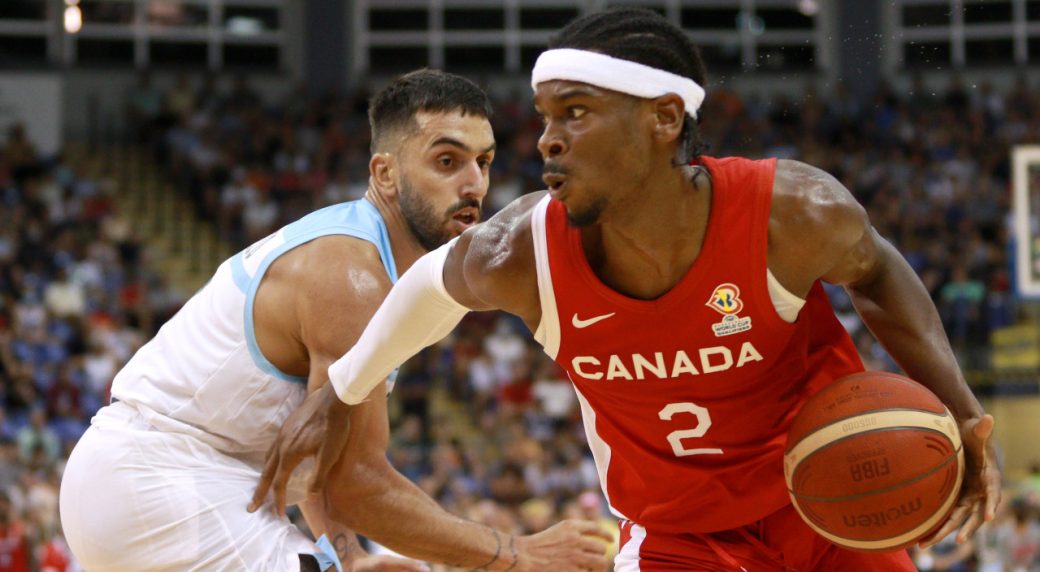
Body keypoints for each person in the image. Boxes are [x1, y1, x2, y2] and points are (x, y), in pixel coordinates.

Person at [255, 9, 1002, 571]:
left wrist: (964, 413)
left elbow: (876, 271)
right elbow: (427, 288)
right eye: (546, 118)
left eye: (575, 113)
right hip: (677, 537)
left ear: (663, 119)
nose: (546, 139)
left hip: (824, 504)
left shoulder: (792, 214)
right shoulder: (527, 251)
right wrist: (341, 388)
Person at [58, 69, 609, 572]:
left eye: (483, 162)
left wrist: (345, 556)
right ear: (385, 174)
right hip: (162, 482)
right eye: (447, 161)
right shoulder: (352, 274)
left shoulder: (385, 270)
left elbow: (326, 449)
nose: (474, 186)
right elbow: (356, 483)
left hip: (160, 486)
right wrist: (514, 554)